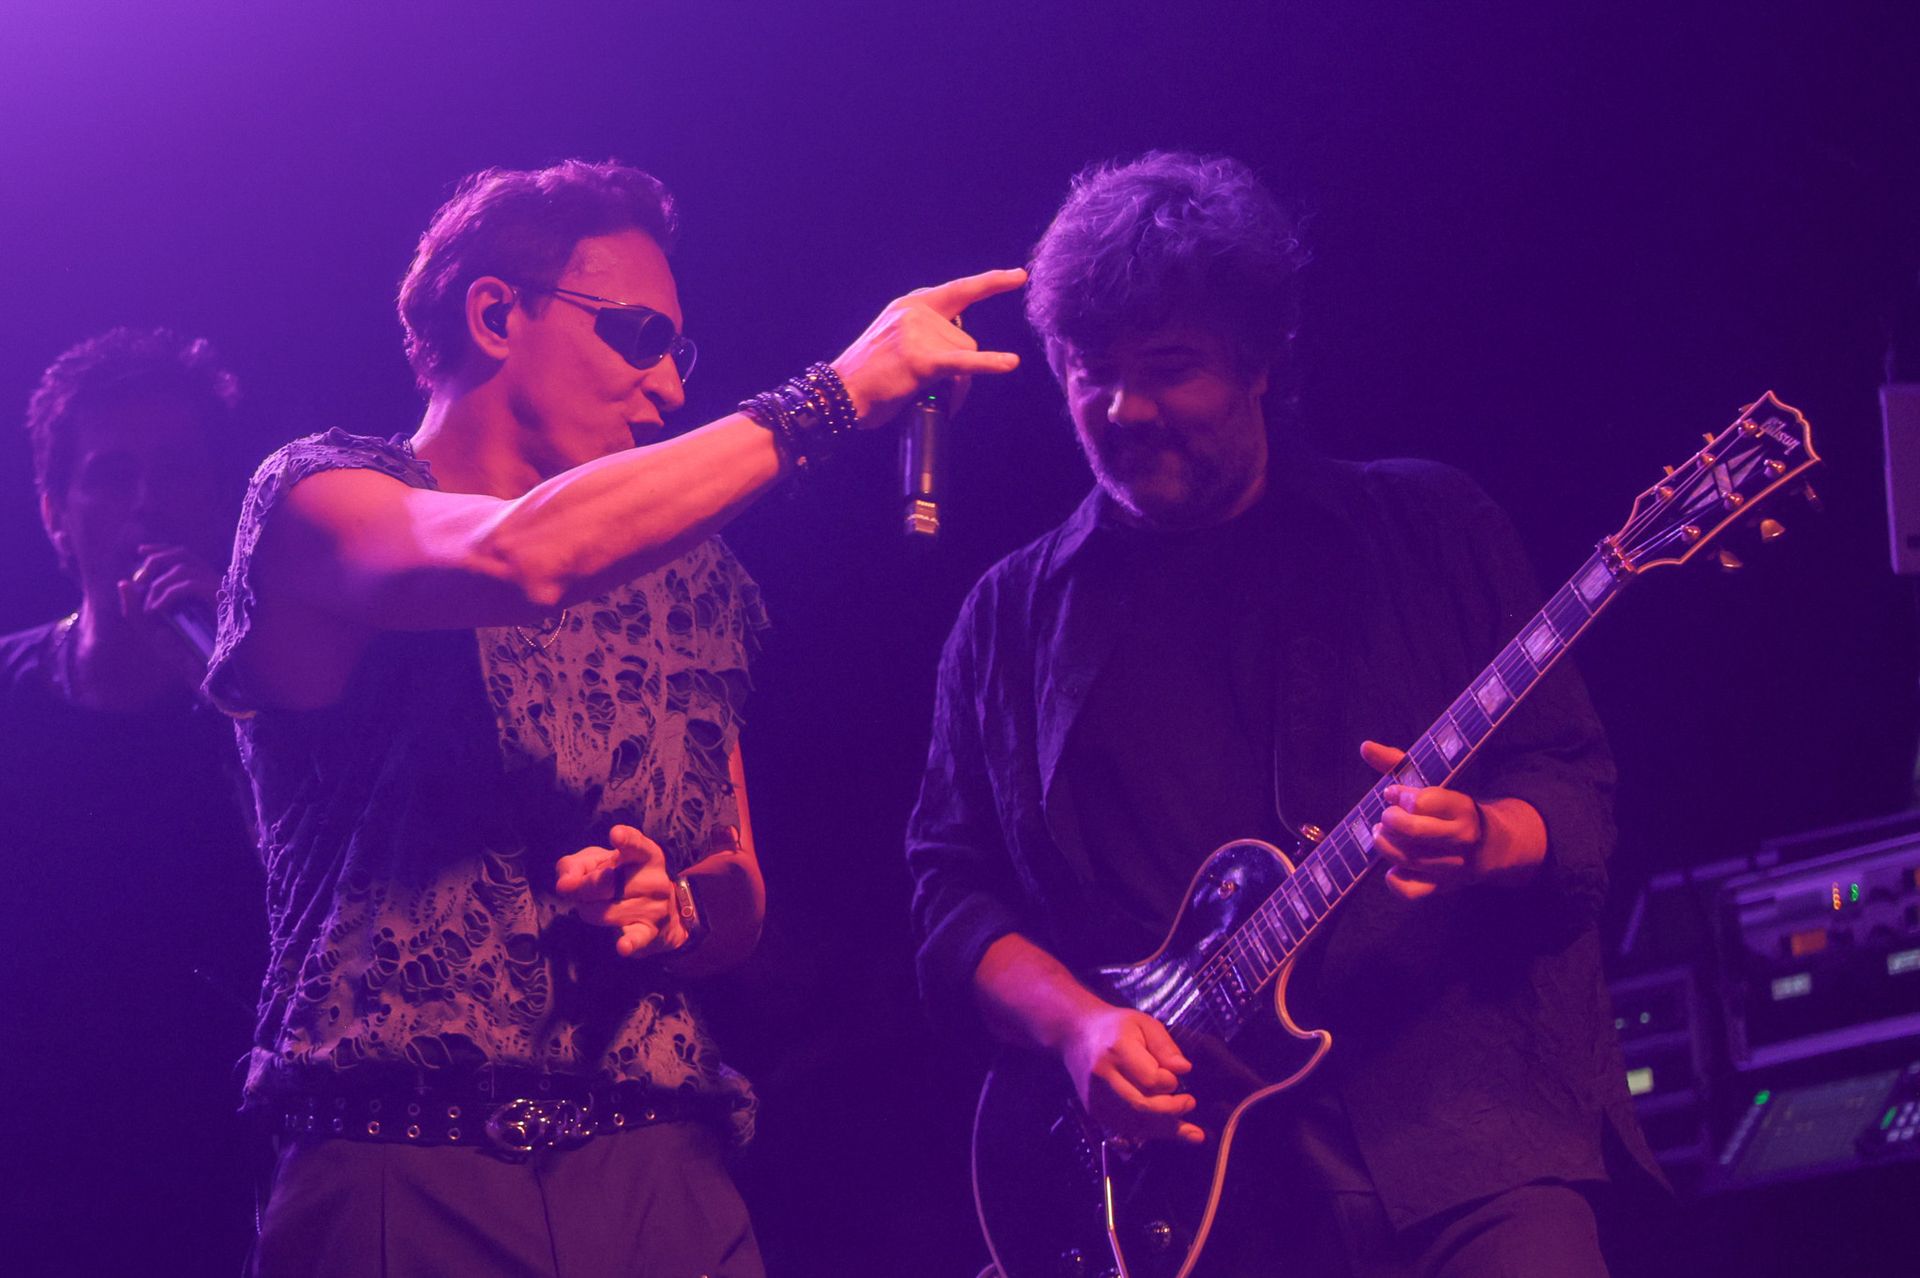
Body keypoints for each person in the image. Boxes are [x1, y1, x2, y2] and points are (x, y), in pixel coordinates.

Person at [210, 158, 1023, 1277]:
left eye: (679, 354)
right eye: (640, 336)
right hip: (400, 1163)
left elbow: (736, 891)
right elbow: (520, 557)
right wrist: (832, 396)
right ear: (496, 314)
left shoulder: (690, 574)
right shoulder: (321, 498)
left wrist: (678, 906)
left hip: (653, 1167)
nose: (670, 387)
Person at [905, 152, 1664, 1276]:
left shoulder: (1427, 526)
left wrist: (1488, 837)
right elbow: (949, 893)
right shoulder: (1011, 618)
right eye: (1089, 372)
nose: (1126, 409)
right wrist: (1078, 1028)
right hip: (1191, 1191)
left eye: (1170, 367)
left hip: (1469, 1136)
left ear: (1261, 362)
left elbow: (1573, 784)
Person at [0, 327, 265, 1273]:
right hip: (35, 1182)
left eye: (178, 472)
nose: (148, 504)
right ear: (54, 514)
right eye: (111, 476)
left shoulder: (278, 703)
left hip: (229, 1178)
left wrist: (236, 691)